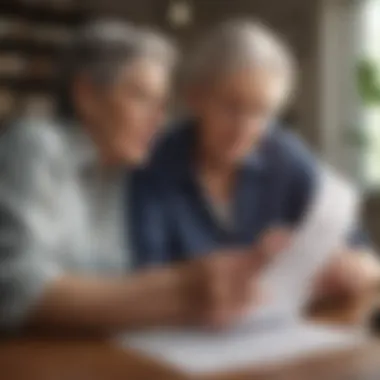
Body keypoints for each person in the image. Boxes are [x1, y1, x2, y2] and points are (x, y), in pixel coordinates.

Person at [0, 21, 282, 333]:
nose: (158, 119)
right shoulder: (34, 145)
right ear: (87, 95)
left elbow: (128, 282)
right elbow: (16, 291)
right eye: (140, 97)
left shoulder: (127, 172)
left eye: (162, 104)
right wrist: (183, 288)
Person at [132, 20, 380, 301]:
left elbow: (366, 257)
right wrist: (253, 264)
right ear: (195, 97)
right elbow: (145, 277)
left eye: (261, 112)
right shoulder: (155, 163)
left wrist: (350, 267)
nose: (244, 128)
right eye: (231, 106)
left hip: (277, 333)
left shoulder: (283, 154)